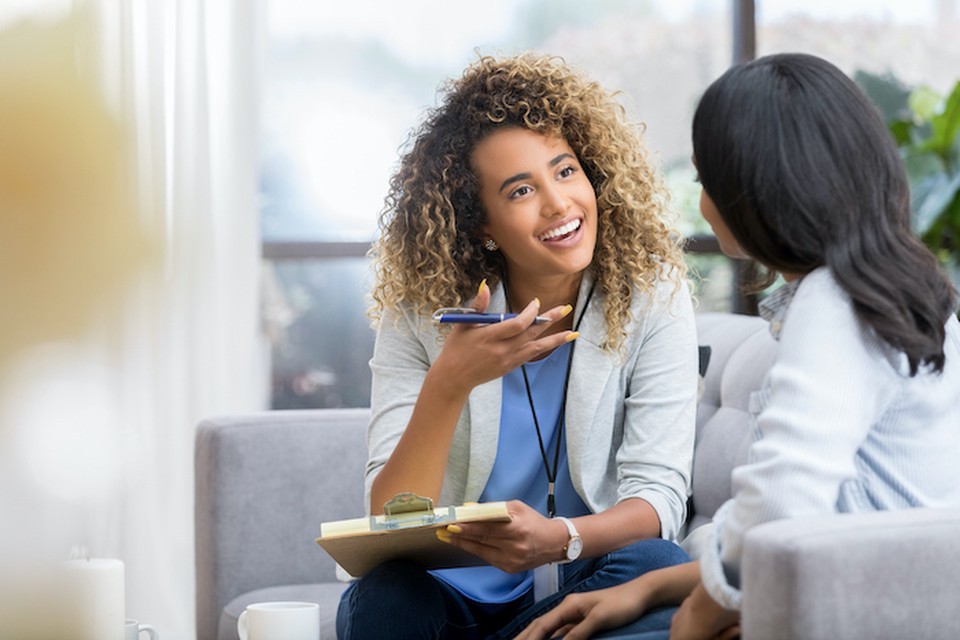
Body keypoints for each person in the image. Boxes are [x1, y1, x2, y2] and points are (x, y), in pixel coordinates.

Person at [517, 52, 960, 640]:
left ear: (757, 192)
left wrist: (699, 616)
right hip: (876, 589)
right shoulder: (909, 292)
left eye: (705, 181)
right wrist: (652, 588)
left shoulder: (834, 307)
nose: (702, 202)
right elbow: (831, 519)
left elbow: (779, 508)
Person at [335, 53, 700, 640]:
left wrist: (561, 539)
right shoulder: (421, 312)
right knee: (381, 600)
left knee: (659, 565)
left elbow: (659, 501)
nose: (558, 204)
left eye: (565, 171)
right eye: (521, 189)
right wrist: (450, 382)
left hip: (581, 585)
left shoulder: (652, 295)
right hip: (451, 598)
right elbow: (387, 522)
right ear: (481, 223)